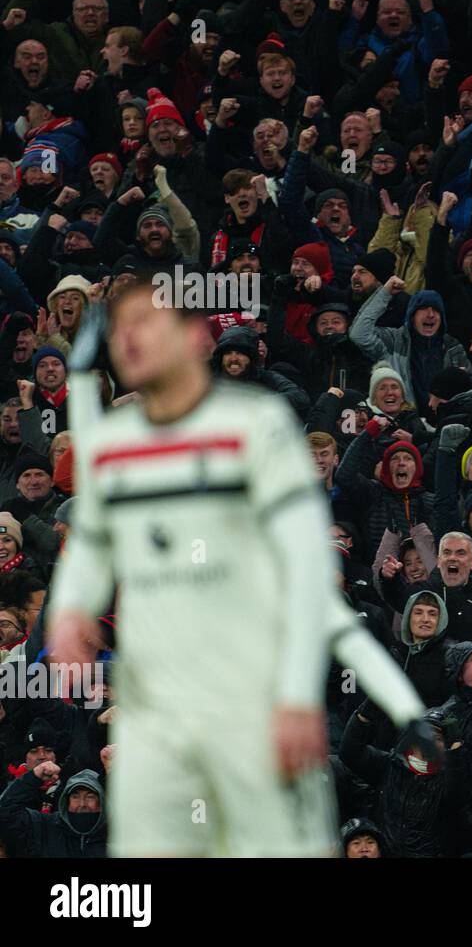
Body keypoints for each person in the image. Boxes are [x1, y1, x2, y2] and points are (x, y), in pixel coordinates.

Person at [44, 281, 436, 856]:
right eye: (121, 327)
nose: (129, 339)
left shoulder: (257, 428)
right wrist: (69, 608)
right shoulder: (118, 446)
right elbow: (91, 543)